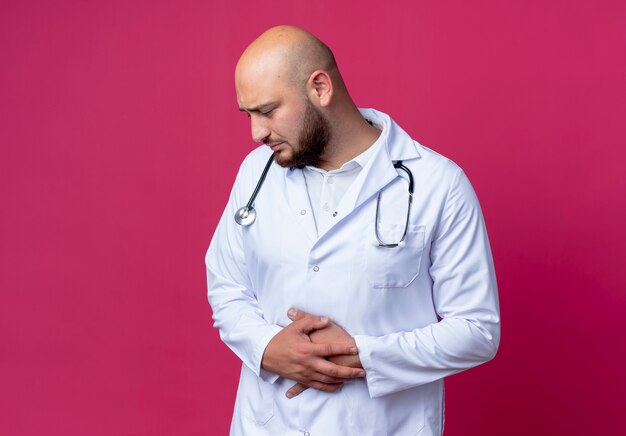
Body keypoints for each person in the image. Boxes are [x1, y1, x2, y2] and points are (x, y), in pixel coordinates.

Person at [206, 25, 500, 436]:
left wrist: (363, 356)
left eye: (268, 111)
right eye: (249, 115)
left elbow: (477, 331)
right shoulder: (256, 173)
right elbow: (226, 285)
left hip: (382, 425)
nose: (257, 133)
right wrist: (267, 347)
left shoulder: (438, 184)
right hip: (266, 424)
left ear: (320, 88)